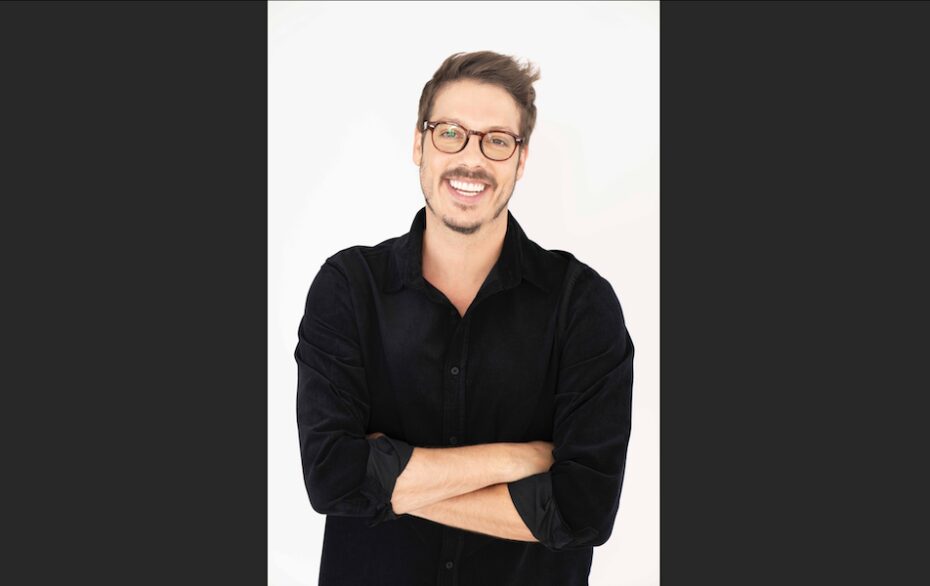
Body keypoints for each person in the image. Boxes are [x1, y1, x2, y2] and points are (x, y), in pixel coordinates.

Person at [296, 50, 634, 586]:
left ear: (521, 161)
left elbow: (582, 510)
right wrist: (517, 461)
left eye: (497, 140)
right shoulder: (349, 289)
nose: (471, 159)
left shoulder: (582, 305)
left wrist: (388, 480)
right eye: (450, 132)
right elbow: (333, 480)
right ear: (419, 144)